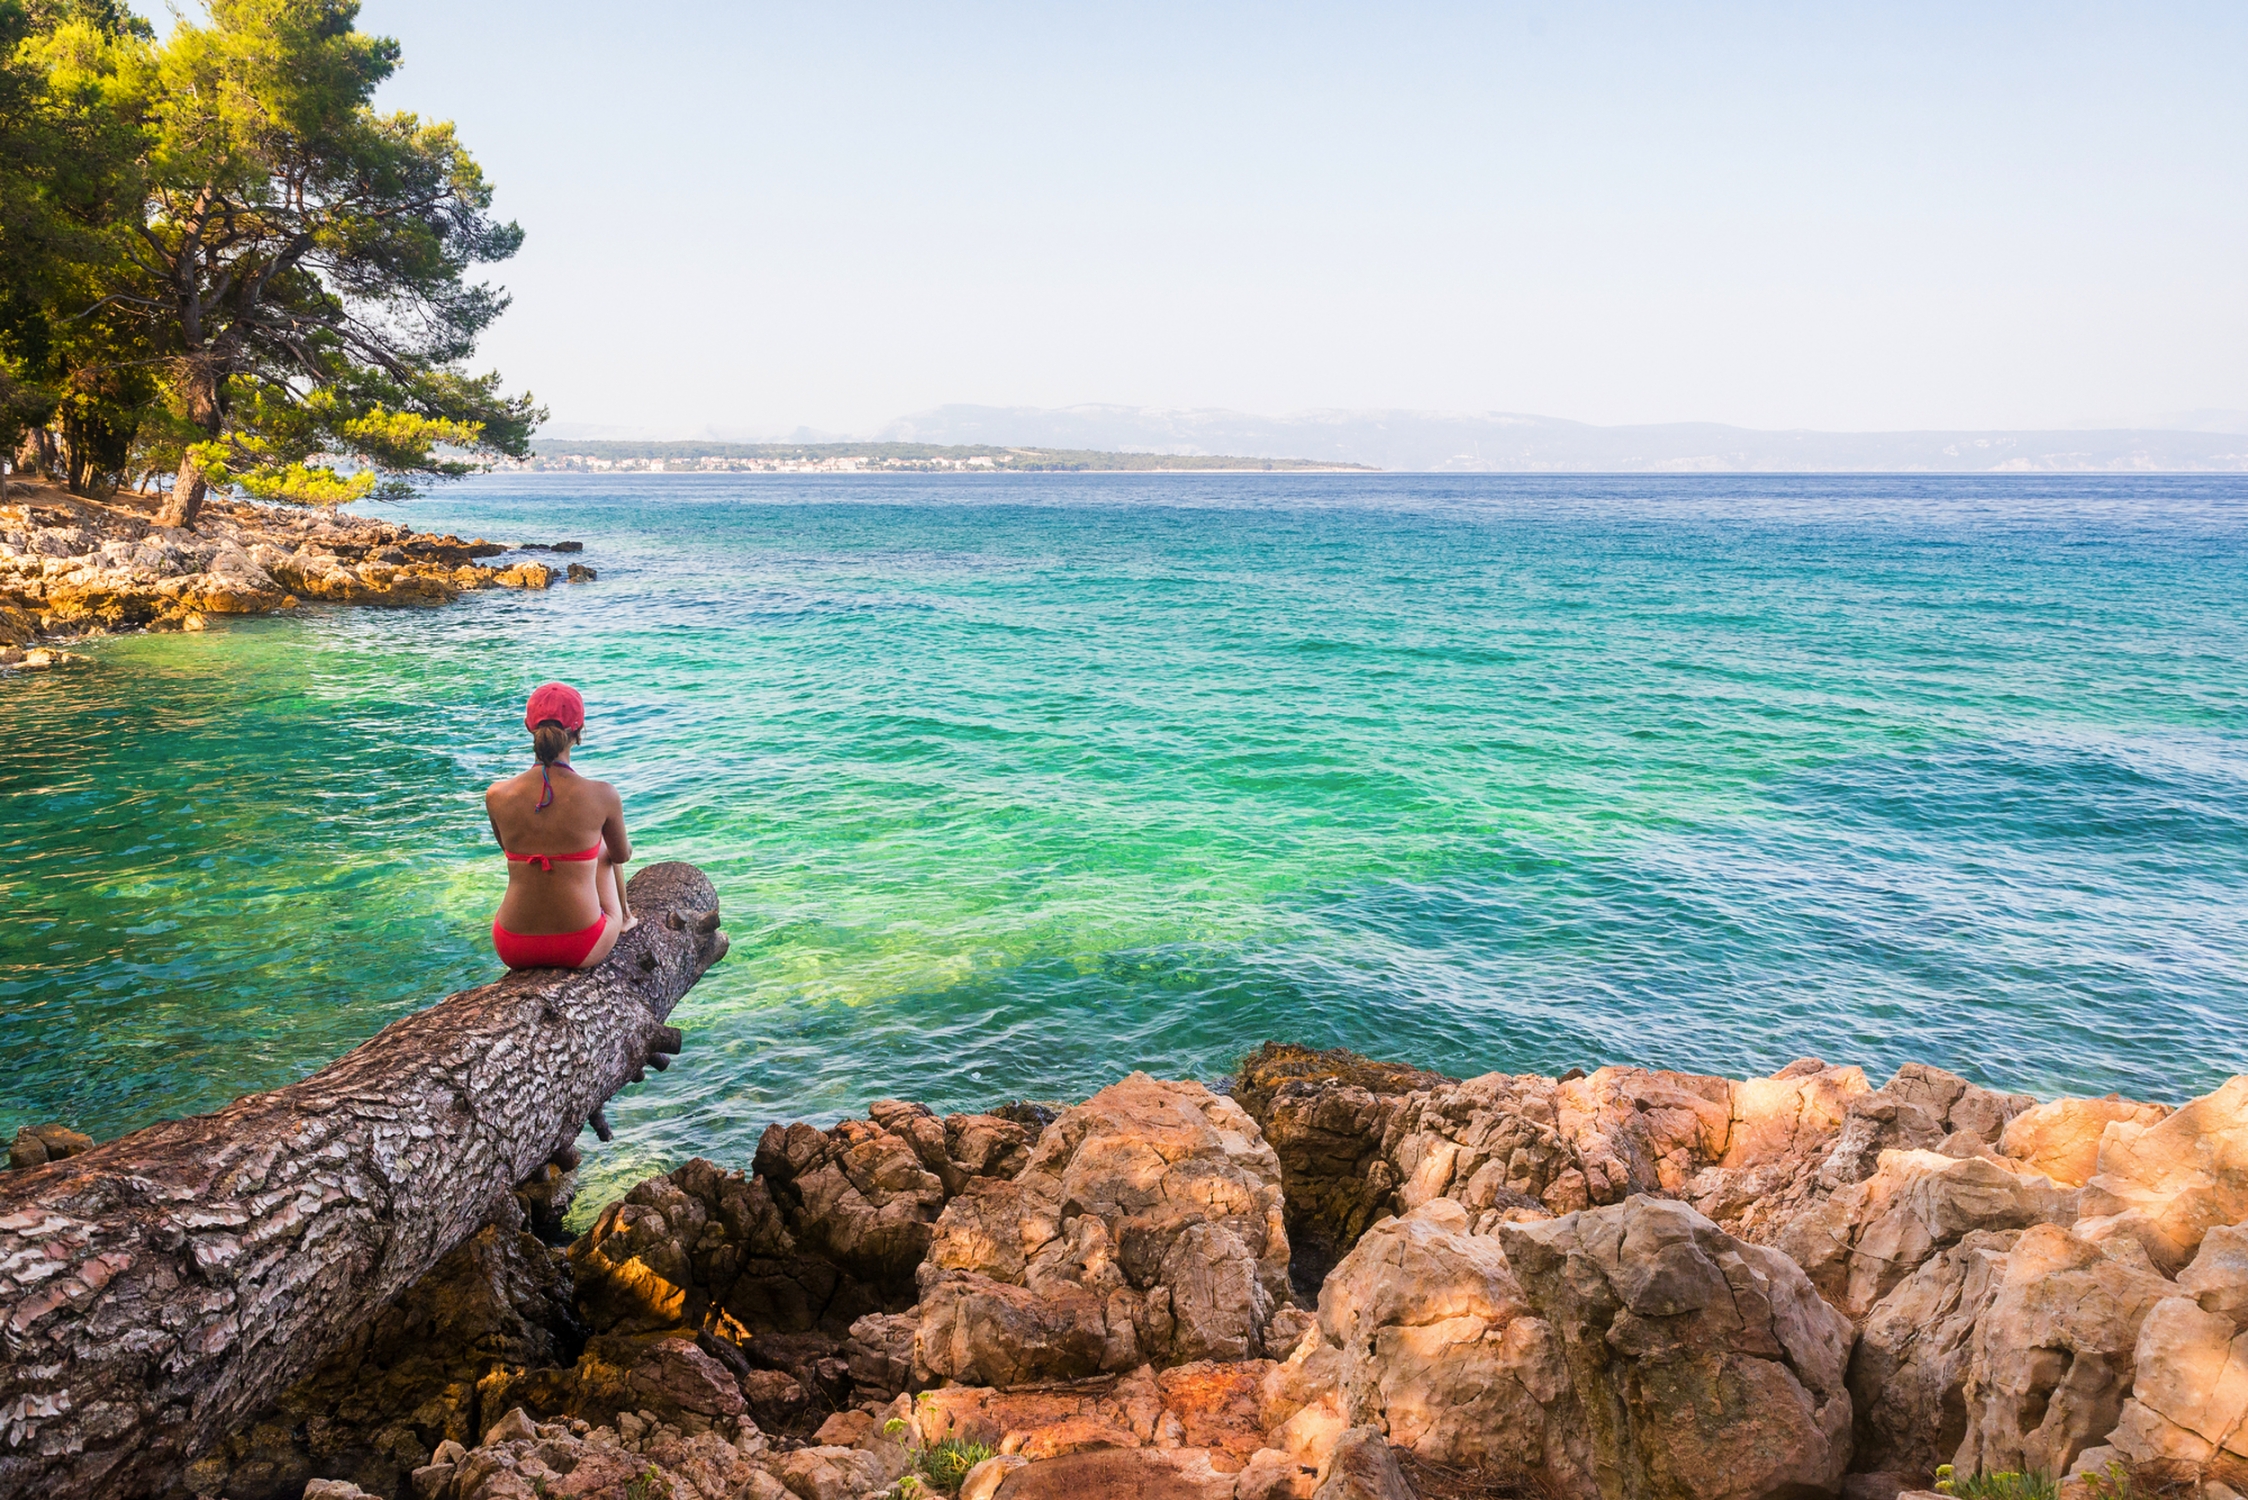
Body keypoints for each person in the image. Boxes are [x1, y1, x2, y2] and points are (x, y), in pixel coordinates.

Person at [487, 682, 635, 969]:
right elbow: (621, 856)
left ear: (529, 727)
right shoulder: (602, 794)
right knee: (604, 846)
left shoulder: (496, 795)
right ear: (579, 732)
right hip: (580, 945)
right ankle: (627, 919)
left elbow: (507, 847)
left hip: (512, 945)